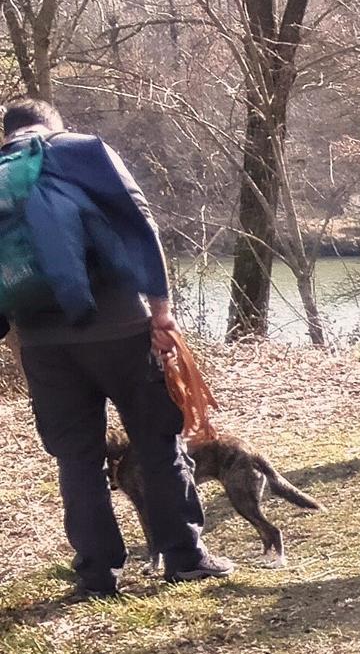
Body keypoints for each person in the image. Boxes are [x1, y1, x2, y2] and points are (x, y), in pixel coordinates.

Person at [0, 97, 228, 597]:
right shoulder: (82, 151)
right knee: (158, 444)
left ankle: (97, 575)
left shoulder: (1, 176)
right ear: (54, 124)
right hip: (122, 328)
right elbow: (140, 224)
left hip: (44, 343)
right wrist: (161, 311)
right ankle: (186, 558)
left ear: (7, 134)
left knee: (77, 460)